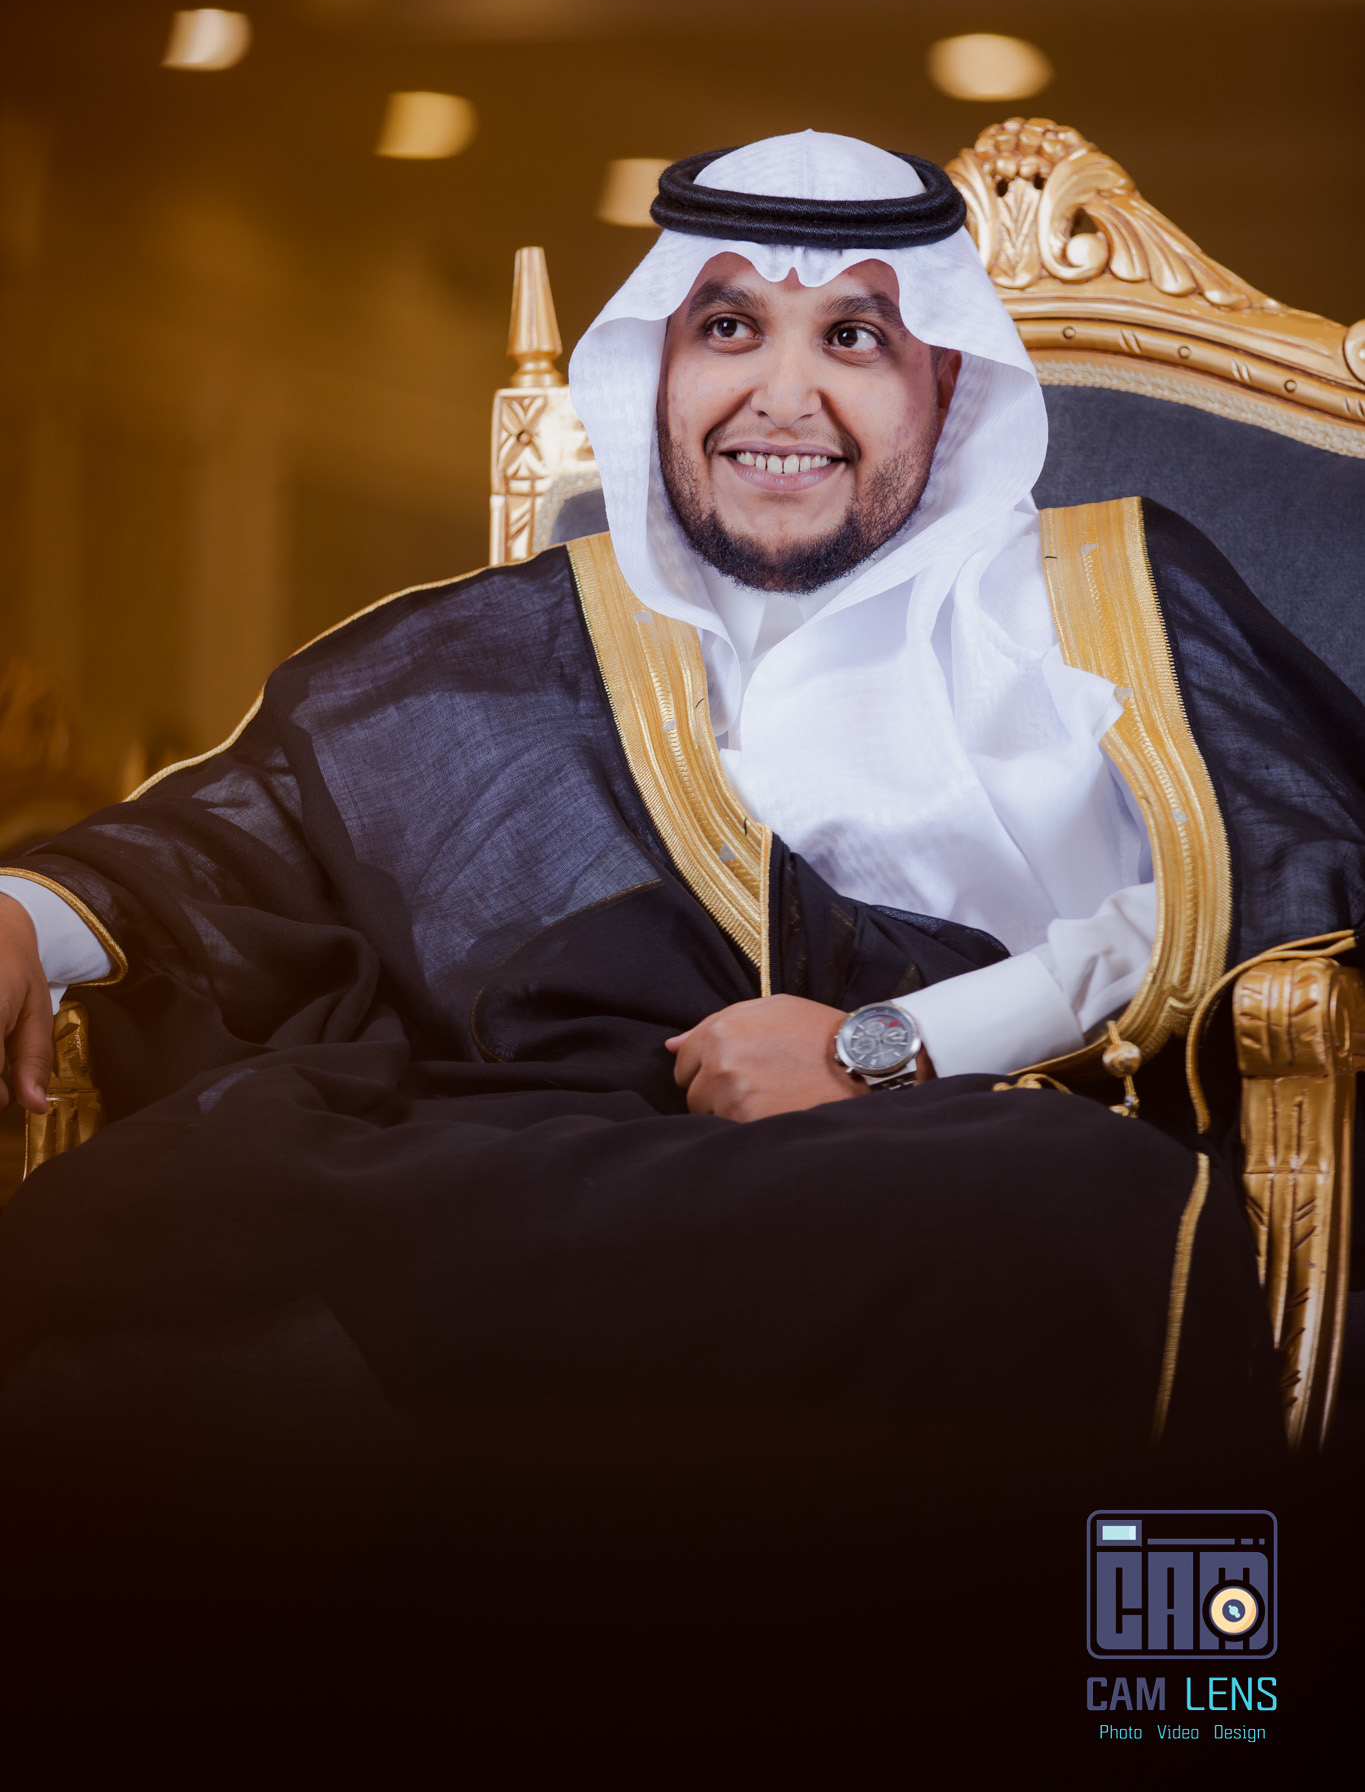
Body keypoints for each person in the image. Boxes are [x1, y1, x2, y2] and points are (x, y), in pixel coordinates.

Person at [1, 132, 1361, 1481]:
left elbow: (1278, 882)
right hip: (571, 1139)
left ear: (944, 377)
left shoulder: (1104, 596)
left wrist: (883, 1049)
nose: (782, 397)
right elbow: (244, 836)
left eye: (852, 339)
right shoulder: (523, 635)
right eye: (728, 328)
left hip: (954, 1139)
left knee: (1041, 1202)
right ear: (658, 361)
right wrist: (21, 912)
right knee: (224, 1186)